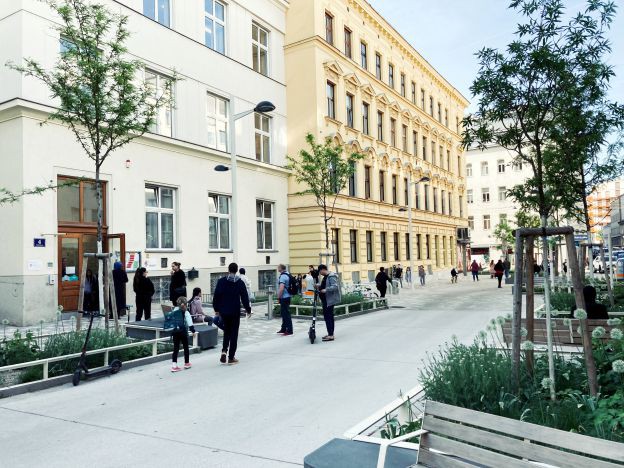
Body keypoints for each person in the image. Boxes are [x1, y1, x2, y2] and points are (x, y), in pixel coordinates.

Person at [212, 263, 252, 365]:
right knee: (234, 334)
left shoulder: (221, 281)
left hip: (224, 312)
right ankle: (231, 357)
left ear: (228, 270)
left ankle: (224, 350)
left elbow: (216, 295)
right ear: (237, 270)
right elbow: (244, 298)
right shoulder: (240, 283)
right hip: (234, 312)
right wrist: (248, 309)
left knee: (227, 331)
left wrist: (216, 308)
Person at [169, 297, 195, 372]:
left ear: (177, 303)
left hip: (175, 332)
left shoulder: (174, 310)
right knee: (186, 347)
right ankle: (186, 363)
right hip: (183, 332)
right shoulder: (186, 312)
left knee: (176, 348)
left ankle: (174, 366)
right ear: (186, 304)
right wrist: (193, 331)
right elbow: (190, 324)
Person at [317, 264, 340, 341]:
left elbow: (335, 286)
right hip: (326, 300)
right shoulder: (326, 277)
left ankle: (330, 335)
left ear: (323, 269)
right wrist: (319, 286)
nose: (320, 273)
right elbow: (325, 285)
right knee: (328, 317)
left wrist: (326, 290)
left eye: (320, 271)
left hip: (329, 301)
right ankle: (330, 333)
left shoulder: (331, 276)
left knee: (328, 317)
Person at [277, 264, 294, 336]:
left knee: (286, 314)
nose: (277, 268)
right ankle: (283, 328)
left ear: (281, 268)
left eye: (278, 267)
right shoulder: (287, 274)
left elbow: (281, 288)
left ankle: (289, 330)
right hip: (288, 296)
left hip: (284, 297)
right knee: (284, 313)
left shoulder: (283, 276)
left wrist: (278, 297)